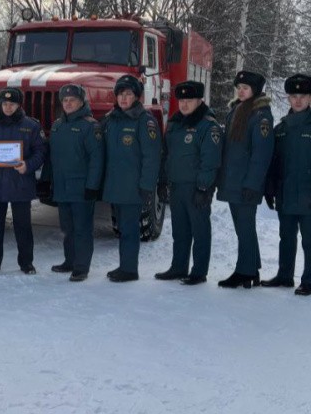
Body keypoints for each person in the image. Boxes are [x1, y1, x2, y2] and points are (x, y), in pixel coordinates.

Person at [155, 81, 222, 286]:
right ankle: (178, 267)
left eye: (189, 100)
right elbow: (167, 155)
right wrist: (163, 181)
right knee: (180, 230)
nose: (184, 104)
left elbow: (210, 161)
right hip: (176, 186)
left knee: (199, 230)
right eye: (181, 100)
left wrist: (204, 188)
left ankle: (199, 271)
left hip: (196, 188)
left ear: (200, 100)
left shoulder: (208, 126)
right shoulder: (175, 124)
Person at [0, 86, 46, 274]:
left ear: (18, 104)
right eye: (4, 103)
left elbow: (40, 152)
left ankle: (26, 263)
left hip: (21, 184)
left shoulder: (31, 126)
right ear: (0, 105)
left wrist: (28, 166)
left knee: (23, 228)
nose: (8, 107)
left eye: (12, 103)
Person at [216, 70, 274, 289]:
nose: (241, 91)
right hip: (235, 181)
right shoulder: (238, 110)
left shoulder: (260, 116)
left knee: (245, 228)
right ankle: (253, 268)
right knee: (243, 228)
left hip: (245, 184)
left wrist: (252, 184)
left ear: (255, 91)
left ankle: (244, 271)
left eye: (245, 88)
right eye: (238, 88)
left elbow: (261, 155)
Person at [102, 75, 161, 282]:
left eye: (128, 94)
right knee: (121, 229)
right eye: (120, 94)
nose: (123, 98)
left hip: (132, 187)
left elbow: (151, 158)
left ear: (136, 97)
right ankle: (124, 266)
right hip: (115, 186)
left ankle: (129, 269)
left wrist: (147, 187)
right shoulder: (111, 120)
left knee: (129, 230)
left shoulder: (145, 122)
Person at [48, 84, 104, 282]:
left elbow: (97, 159)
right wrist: (49, 181)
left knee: (82, 229)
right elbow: (52, 157)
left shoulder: (90, 126)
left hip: (81, 189)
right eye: (65, 100)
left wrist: (92, 186)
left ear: (81, 102)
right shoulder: (57, 126)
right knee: (67, 228)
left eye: (72, 100)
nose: (68, 103)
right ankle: (69, 261)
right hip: (62, 188)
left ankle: (81, 267)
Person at [262, 74, 311, 296]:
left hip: (309, 196)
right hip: (286, 194)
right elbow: (273, 162)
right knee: (286, 237)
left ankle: (309, 280)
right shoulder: (281, 129)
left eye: (302, 96)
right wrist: (270, 189)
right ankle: (284, 275)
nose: (298, 100)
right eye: (293, 96)